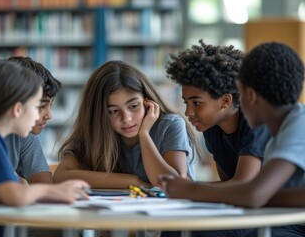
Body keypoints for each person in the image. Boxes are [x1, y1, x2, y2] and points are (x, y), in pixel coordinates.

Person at [159, 42, 305, 236]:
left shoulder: (297, 126)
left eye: (240, 93)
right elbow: (255, 192)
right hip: (279, 218)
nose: (238, 102)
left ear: (250, 95)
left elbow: (253, 194)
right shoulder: (283, 127)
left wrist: (191, 190)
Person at [0, 60, 89, 237]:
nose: (44, 115)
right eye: (37, 107)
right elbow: (15, 197)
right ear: (18, 109)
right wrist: (56, 191)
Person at [53, 60, 203, 188]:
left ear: (147, 101)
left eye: (133, 106)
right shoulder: (96, 132)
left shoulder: (170, 125)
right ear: (99, 114)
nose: (127, 119)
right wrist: (133, 181)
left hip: (173, 218)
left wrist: (144, 135)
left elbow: (174, 183)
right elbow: (60, 176)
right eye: (113, 111)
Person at [165, 39, 271, 185]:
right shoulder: (211, 127)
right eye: (186, 102)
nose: (188, 112)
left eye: (197, 103)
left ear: (225, 101)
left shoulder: (257, 121)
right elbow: (227, 183)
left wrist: (185, 188)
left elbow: (242, 186)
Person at [5, 56, 62, 184]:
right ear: (16, 105)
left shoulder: (24, 131)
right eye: (41, 106)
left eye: (50, 105)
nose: (49, 115)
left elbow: (44, 183)